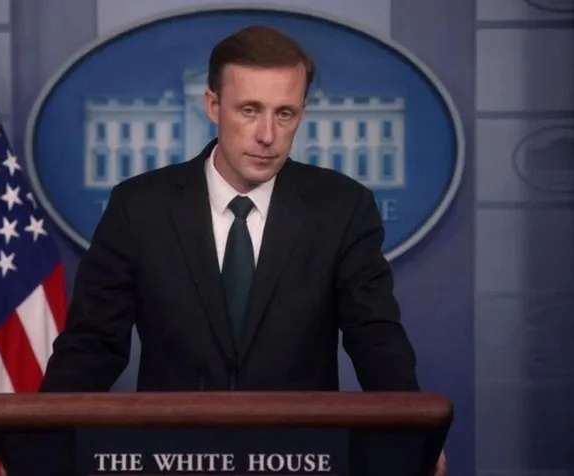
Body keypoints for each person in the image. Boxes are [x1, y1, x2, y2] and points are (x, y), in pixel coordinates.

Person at [39, 25, 446, 475]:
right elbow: (92, 345)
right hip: (170, 458)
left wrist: (414, 435)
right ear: (213, 105)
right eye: (249, 110)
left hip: (302, 460)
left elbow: (375, 337)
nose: (267, 135)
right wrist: (42, 444)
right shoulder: (139, 207)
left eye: (285, 113)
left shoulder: (343, 207)